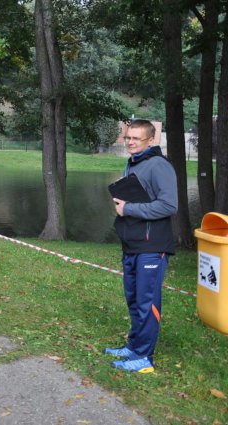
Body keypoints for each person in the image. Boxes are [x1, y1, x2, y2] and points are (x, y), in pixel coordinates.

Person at [105, 119, 178, 373]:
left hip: (152, 245)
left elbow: (170, 205)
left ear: (151, 140)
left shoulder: (159, 165)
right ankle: (134, 347)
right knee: (134, 299)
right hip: (133, 244)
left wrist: (129, 208)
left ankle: (145, 358)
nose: (130, 142)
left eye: (136, 138)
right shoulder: (134, 163)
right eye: (128, 138)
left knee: (147, 302)